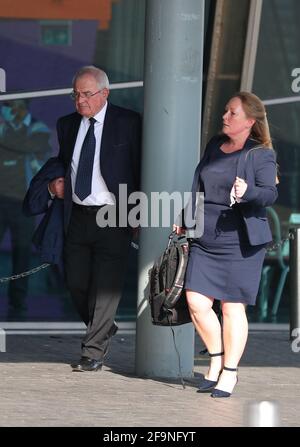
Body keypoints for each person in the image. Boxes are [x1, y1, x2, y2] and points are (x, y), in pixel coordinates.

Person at [174, 92, 278, 398]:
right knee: (196, 301)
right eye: (225, 111)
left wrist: (248, 192)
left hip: (240, 242)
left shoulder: (260, 154)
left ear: (249, 121)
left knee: (232, 307)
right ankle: (216, 359)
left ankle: (229, 373)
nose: (225, 116)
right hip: (207, 237)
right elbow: (197, 185)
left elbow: (270, 194)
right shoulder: (214, 146)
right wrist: (184, 216)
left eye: (232, 113)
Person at [48, 66, 141, 372]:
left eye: (87, 94)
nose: (80, 100)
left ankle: (93, 350)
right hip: (78, 215)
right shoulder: (67, 125)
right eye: (75, 94)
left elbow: (140, 168)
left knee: (106, 285)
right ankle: (103, 327)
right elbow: (65, 163)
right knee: (75, 282)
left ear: (105, 93)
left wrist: (138, 214)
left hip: (114, 214)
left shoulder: (127, 122)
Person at [0, 99, 51, 318]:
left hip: (23, 203)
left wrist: (7, 140)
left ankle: (17, 303)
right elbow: (22, 145)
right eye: (7, 106)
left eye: (14, 106)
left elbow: (32, 145)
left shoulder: (38, 128)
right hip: (0, 200)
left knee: (22, 254)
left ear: (24, 108)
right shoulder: (5, 127)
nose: (10, 110)